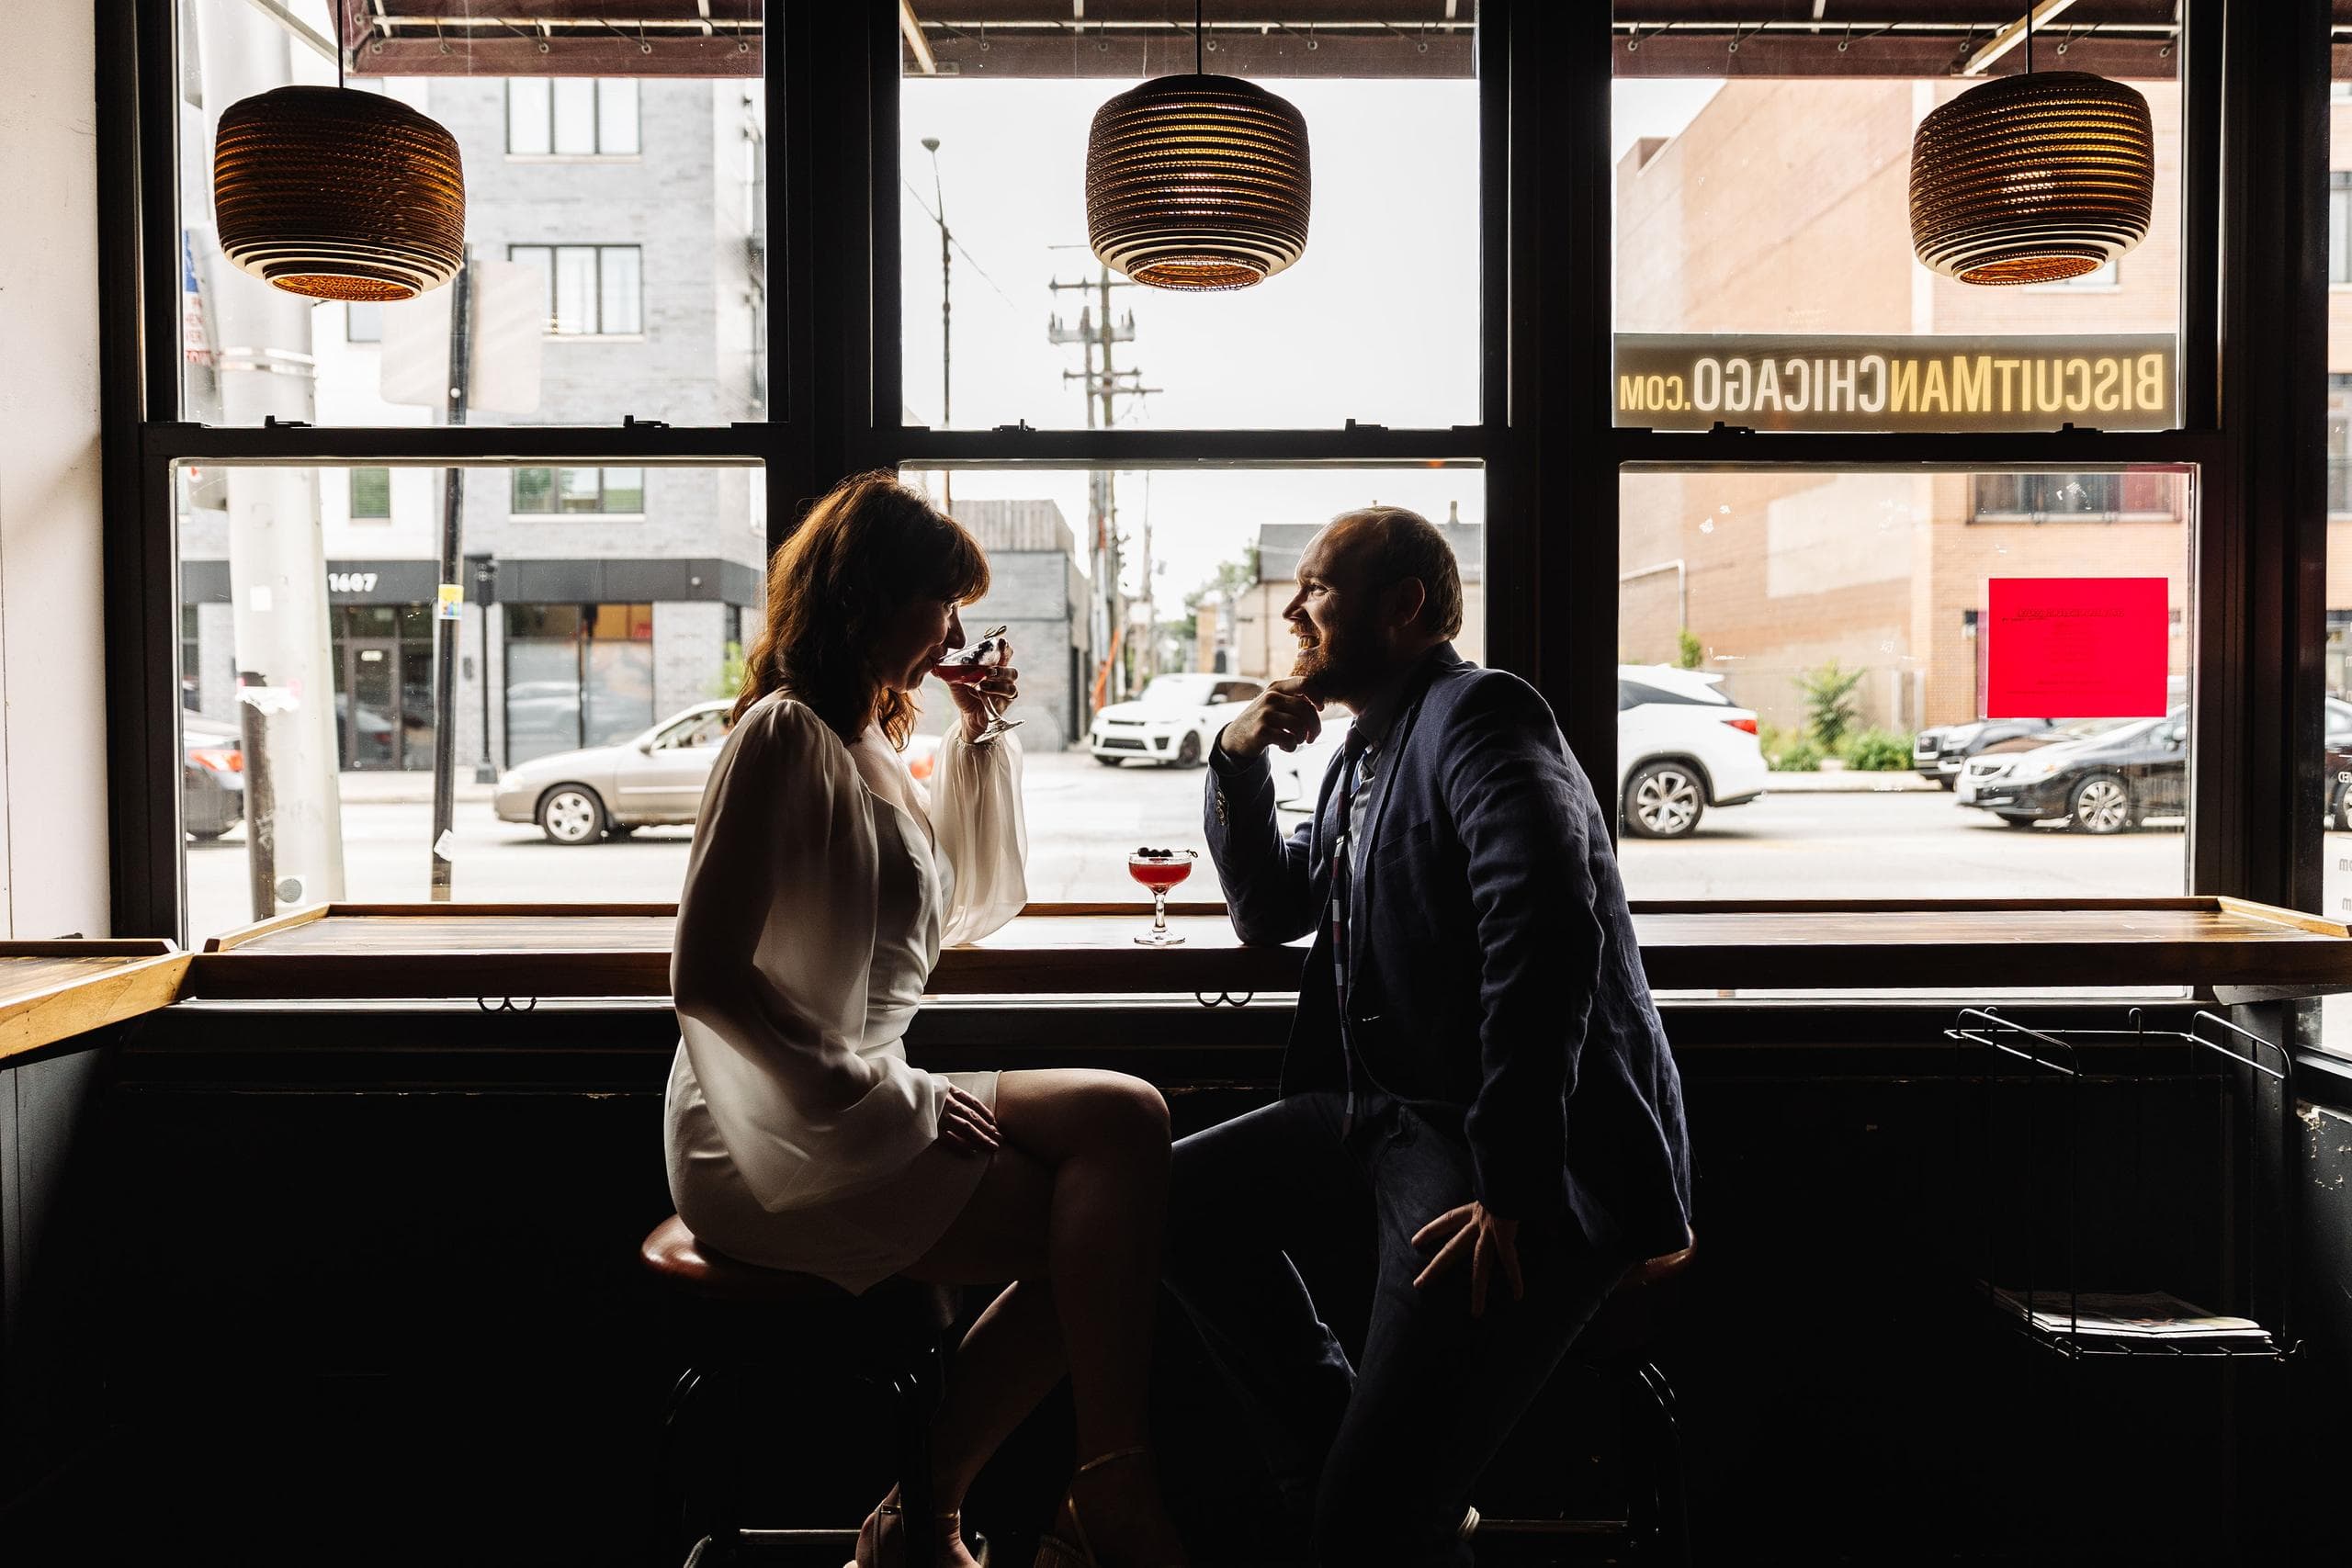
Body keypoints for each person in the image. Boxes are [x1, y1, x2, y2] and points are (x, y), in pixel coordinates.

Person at [665, 472, 1190, 1568]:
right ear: (871, 598)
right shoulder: (782, 734)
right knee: (1091, 1238)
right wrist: (879, 1093)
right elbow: (705, 978)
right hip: (765, 1123)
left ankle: (1031, 1488)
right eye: (940, 603)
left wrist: (978, 737)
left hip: (858, 1089)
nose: (953, 630)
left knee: (1127, 1121)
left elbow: (959, 908)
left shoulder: (862, 743)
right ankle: (980, 1502)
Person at [1167, 506, 1694, 1566]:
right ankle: (1355, 1460)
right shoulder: (1362, 751)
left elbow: (1544, 927)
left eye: (1317, 587)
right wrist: (1233, 757)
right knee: (1163, 1202)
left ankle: (1369, 1502)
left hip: (1505, 1154)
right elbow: (1270, 910)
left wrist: (1512, 1179)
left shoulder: (1482, 714)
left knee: (1359, 1531)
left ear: (1401, 605)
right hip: (1385, 1113)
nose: (1293, 609)